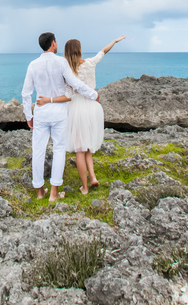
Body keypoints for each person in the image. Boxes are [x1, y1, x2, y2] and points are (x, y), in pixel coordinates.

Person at [38, 35, 124, 194]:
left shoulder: (66, 70)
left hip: (76, 108)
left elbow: (65, 93)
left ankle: (85, 188)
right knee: (88, 147)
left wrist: (48, 100)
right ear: (80, 50)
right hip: (92, 107)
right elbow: (104, 51)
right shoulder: (90, 63)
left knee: (79, 148)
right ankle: (93, 178)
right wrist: (115, 41)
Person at [21, 32, 99, 202]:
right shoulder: (61, 62)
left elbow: (26, 93)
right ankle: (54, 193)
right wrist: (93, 95)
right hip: (59, 113)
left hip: (41, 112)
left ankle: (40, 192)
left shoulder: (33, 65)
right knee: (58, 151)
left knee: (38, 150)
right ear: (54, 43)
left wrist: (28, 115)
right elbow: (75, 83)